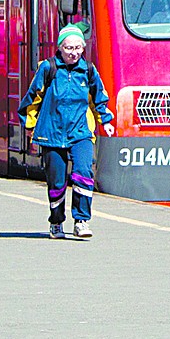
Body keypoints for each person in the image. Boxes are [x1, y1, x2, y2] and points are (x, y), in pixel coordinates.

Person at [18, 23, 114, 240]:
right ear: (60, 48)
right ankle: (56, 222)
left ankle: (81, 220)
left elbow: (99, 98)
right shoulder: (48, 68)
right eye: (69, 48)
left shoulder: (88, 70)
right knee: (57, 181)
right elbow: (32, 99)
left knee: (84, 173)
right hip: (52, 132)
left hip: (80, 131)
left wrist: (105, 120)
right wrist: (29, 126)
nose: (74, 53)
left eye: (78, 48)